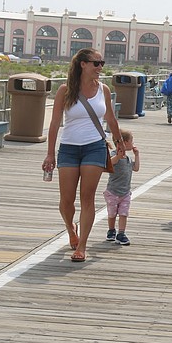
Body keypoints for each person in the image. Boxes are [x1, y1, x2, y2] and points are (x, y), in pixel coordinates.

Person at [43, 48, 122, 262]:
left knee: (87, 198)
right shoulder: (65, 90)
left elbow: (111, 119)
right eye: (96, 63)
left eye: (101, 63)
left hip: (94, 147)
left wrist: (120, 144)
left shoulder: (103, 89)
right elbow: (54, 123)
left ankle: (83, 246)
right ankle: (71, 228)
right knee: (66, 201)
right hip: (69, 147)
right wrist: (50, 154)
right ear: (83, 64)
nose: (100, 67)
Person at [104, 129, 140, 246]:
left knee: (123, 213)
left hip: (125, 192)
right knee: (112, 213)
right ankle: (111, 230)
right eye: (131, 141)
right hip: (113, 191)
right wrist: (118, 157)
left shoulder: (128, 158)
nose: (133, 143)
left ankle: (121, 233)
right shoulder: (114, 155)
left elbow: (136, 168)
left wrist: (137, 155)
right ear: (123, 143)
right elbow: (110, 163)